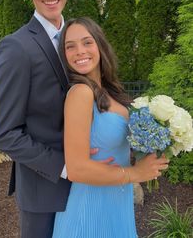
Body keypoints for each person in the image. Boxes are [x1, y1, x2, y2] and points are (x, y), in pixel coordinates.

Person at [52, 17, 169, 238]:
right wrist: (136, 173)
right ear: (64, 55)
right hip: (91, 207)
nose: (79, 51)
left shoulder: (108, 91)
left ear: (100, 45)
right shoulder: (81, 93)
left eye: (87, 42)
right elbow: (76, 169)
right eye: (70, 46)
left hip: (117, 199)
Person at [0, 0, 74, 238]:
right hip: (44, 192)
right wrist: (65, 167)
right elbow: (4, 132)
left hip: (90, 184)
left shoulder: (80, 38)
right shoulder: (16, 47)